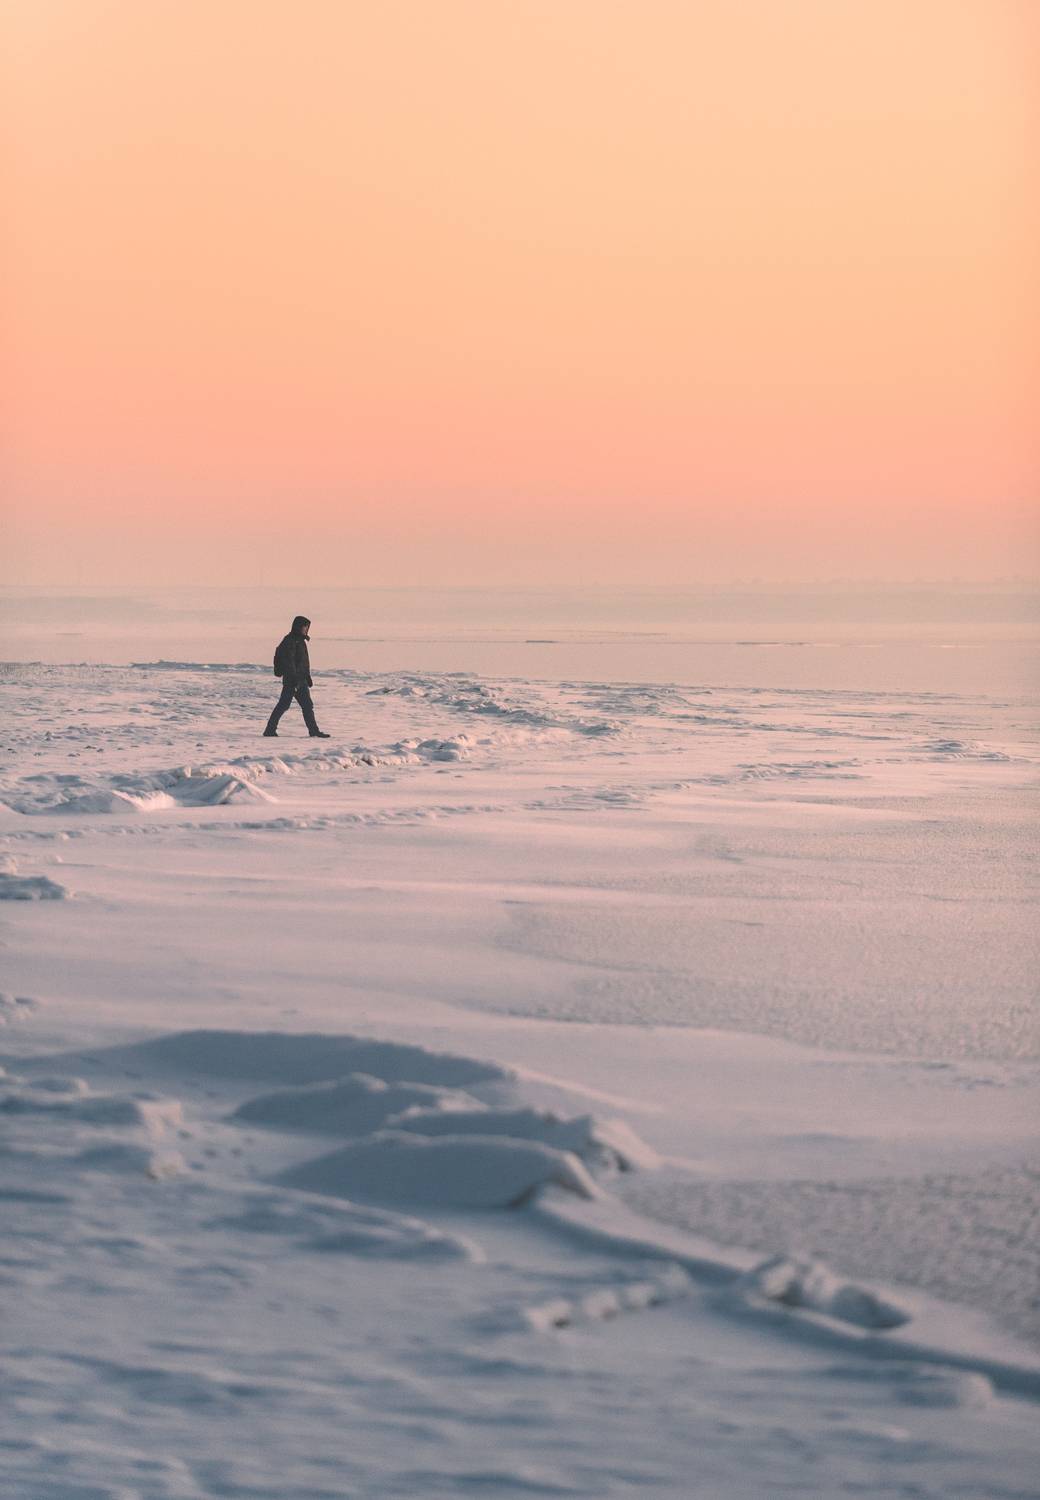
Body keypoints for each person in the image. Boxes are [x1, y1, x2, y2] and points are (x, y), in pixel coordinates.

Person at [264, 615, 330, 737]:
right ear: (298, 627)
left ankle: (314, 731)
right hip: (292, 680)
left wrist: (307, 677)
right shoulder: (290, 641)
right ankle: (269, 730)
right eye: (304, 627)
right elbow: (289, 662)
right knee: (284, 705)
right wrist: (294, 679)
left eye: (307, 627)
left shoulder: (300, 641)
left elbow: (303, 662)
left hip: (301, 680)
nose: (306, 629)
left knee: (307, 705)